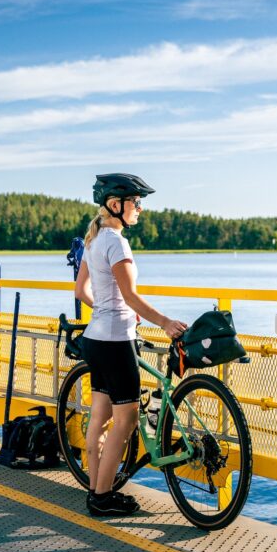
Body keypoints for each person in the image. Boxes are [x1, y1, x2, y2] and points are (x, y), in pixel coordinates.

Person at [73, 173, 187, 516]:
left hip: (95, 338)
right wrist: (165, 322)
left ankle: (96, 490)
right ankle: (103, 498)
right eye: (136, 203)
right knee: (125, 422)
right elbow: (131, 296)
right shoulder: (117, 243)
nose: (140, 209)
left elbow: (81, 292)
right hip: (115, 342)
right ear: (115, 205)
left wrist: (108, 310)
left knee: (100, 419)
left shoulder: (93, 240)